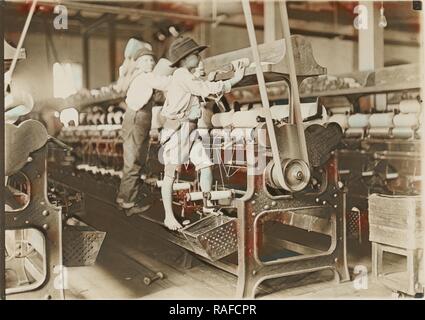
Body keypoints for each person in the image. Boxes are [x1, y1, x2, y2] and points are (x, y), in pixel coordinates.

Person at [160, 36, 245, 230]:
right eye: (195, 55)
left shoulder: (185, 76)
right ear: (183, 59)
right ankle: (168, 217)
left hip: (189, 129)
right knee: (171, 174)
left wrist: (214, 76)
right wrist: (235, 80)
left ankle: (207, 206)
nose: (199, 58)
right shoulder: (182, 75)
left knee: (205, 164)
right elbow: (205, 89)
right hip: (178, 131)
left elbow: (202, 85)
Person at [116, 44, 171, 217]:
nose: (149, 62)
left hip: (139, 119)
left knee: (135, 161)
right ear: (138, 64)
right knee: (133, 162)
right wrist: (185, 78)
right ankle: (128, 203)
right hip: (137, 119)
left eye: (151, 60)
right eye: (145, 60)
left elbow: (158, 94)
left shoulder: (141, 77)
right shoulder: (146, 77)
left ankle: (124, 200)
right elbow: (166, 83)